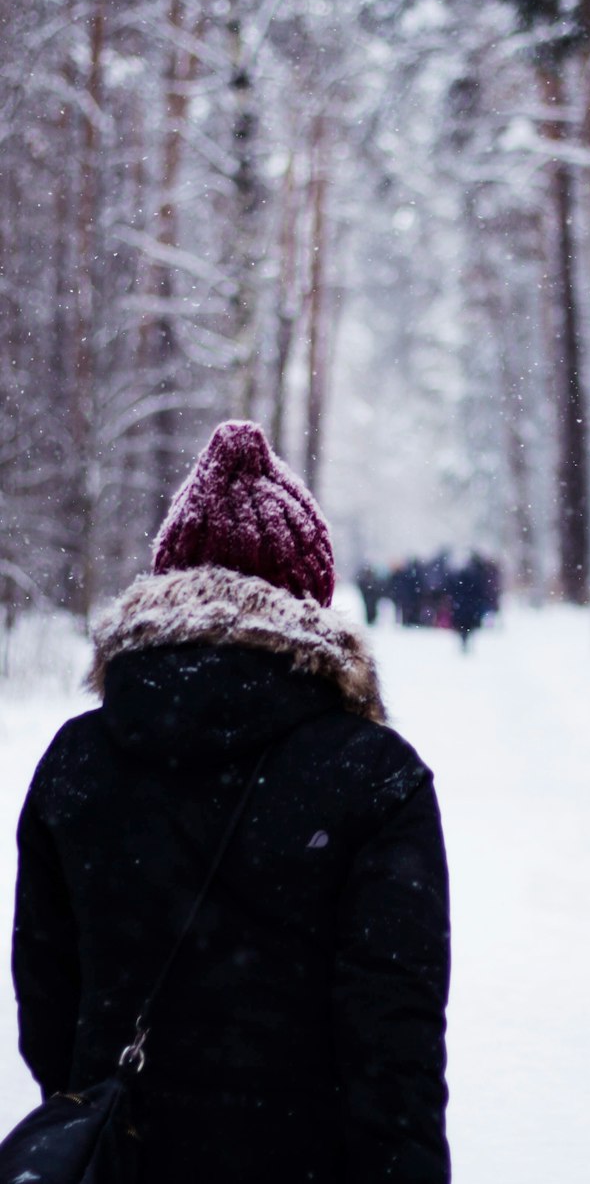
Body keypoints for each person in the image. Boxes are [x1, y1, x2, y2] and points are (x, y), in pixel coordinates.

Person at [11, 421, 451, 1184]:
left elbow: (47, 1009)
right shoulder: (375, 777)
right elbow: (396, 1047)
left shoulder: (78, 762)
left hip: (121, 1157)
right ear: (310, 592)